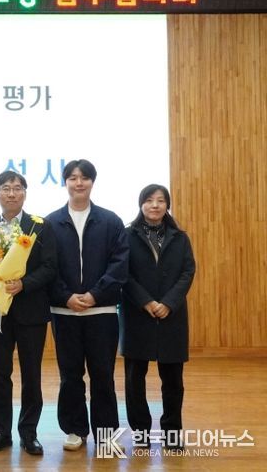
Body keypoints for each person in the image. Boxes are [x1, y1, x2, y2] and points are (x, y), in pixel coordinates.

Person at [46, 159, 128, 451]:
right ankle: (74, 429)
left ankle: (106, 434)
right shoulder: (49, 223)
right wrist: (66, 296)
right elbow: (47, 268)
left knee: (103, 375)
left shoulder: (111, 221)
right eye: (72, 177)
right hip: (64, 312)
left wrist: (94, 295)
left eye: (84, 178)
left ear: (93, 182)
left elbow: (119, 265)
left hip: (101, 312)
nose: (78, 183)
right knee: (70, 375)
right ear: (65, 182)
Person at [0, 170, 58, 457]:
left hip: (31, 311)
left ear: (25, 193)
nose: (11, 193)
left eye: (17, 188)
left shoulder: (40, 226)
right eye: (5, 188)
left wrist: (24, 283)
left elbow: (50, 267)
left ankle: (29, 433)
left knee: (31, 374)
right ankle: (1, 432)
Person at [120, 184, 196, 449]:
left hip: (171, 316)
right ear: (141, 204)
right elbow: (123, 273)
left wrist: (168, 303)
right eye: (149, 200)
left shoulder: (180, 237)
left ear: (167, 205)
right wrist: (146, 301)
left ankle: (172, 433)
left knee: (173, 381)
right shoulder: (126, 235)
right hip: (137, 314)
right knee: (134, 380)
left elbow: (187, 272)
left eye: (161, 200)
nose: (155, 205)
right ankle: (140, 433)